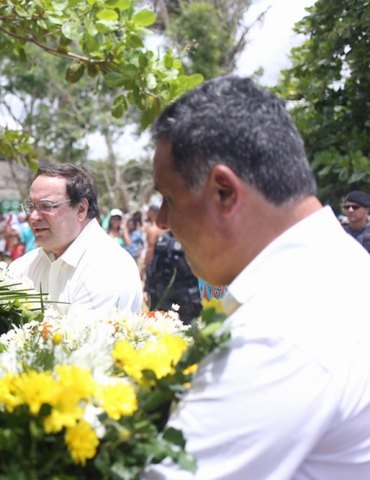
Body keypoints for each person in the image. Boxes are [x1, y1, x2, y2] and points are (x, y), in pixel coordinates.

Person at [142, 76, 370, 479]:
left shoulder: (278, 330)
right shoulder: (338, 268)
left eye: (169, 198)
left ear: (224, 193)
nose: (161, 221)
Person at [8, 164, 142, 315]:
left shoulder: (108, 267)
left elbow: (83, 337)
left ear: (81, 209)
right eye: (31, 206)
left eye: (46, 206)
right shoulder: (22, 267)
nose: (33, 217)